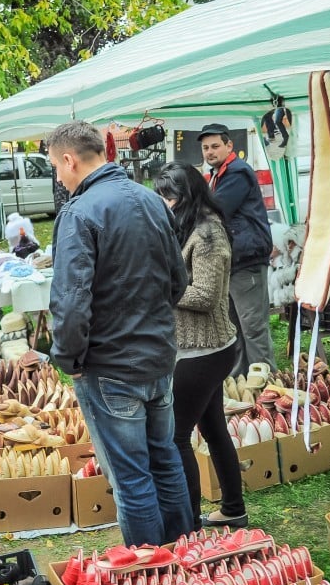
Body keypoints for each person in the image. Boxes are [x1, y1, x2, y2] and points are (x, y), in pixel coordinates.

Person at [47, 120, 192, 547]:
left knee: (133, 477)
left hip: (111, 367)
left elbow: (70, 304)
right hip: (157, 357)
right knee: (164, 461)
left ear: (70, 161)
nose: (57, 176)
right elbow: (177, 281)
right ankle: (186, 560)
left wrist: (69, 359)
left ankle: (151, 576)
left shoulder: (79, 213)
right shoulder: (151, 200)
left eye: (56, 166)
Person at [154, 162, 248, 531]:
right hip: (202, 347)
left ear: (189, 194)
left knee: (176, 437)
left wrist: (161, 289)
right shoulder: (190, 225)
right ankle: (233, 510)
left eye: (171, 195)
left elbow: (206, 295)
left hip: (204, 350)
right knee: (212, 428)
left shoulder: (209, 234)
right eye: (162, 195)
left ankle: (188, 524)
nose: (166, 201)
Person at [197, 123, 276, 377]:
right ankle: (241, 384)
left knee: (253, 329)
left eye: (215, 146)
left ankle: (266, 387)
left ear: (229, 146)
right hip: (233, 262)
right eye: (206, 148)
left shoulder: (236, 173)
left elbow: (216, 211)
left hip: (246, 261)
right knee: (234, 329)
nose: (210, 152)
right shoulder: (218, 174)